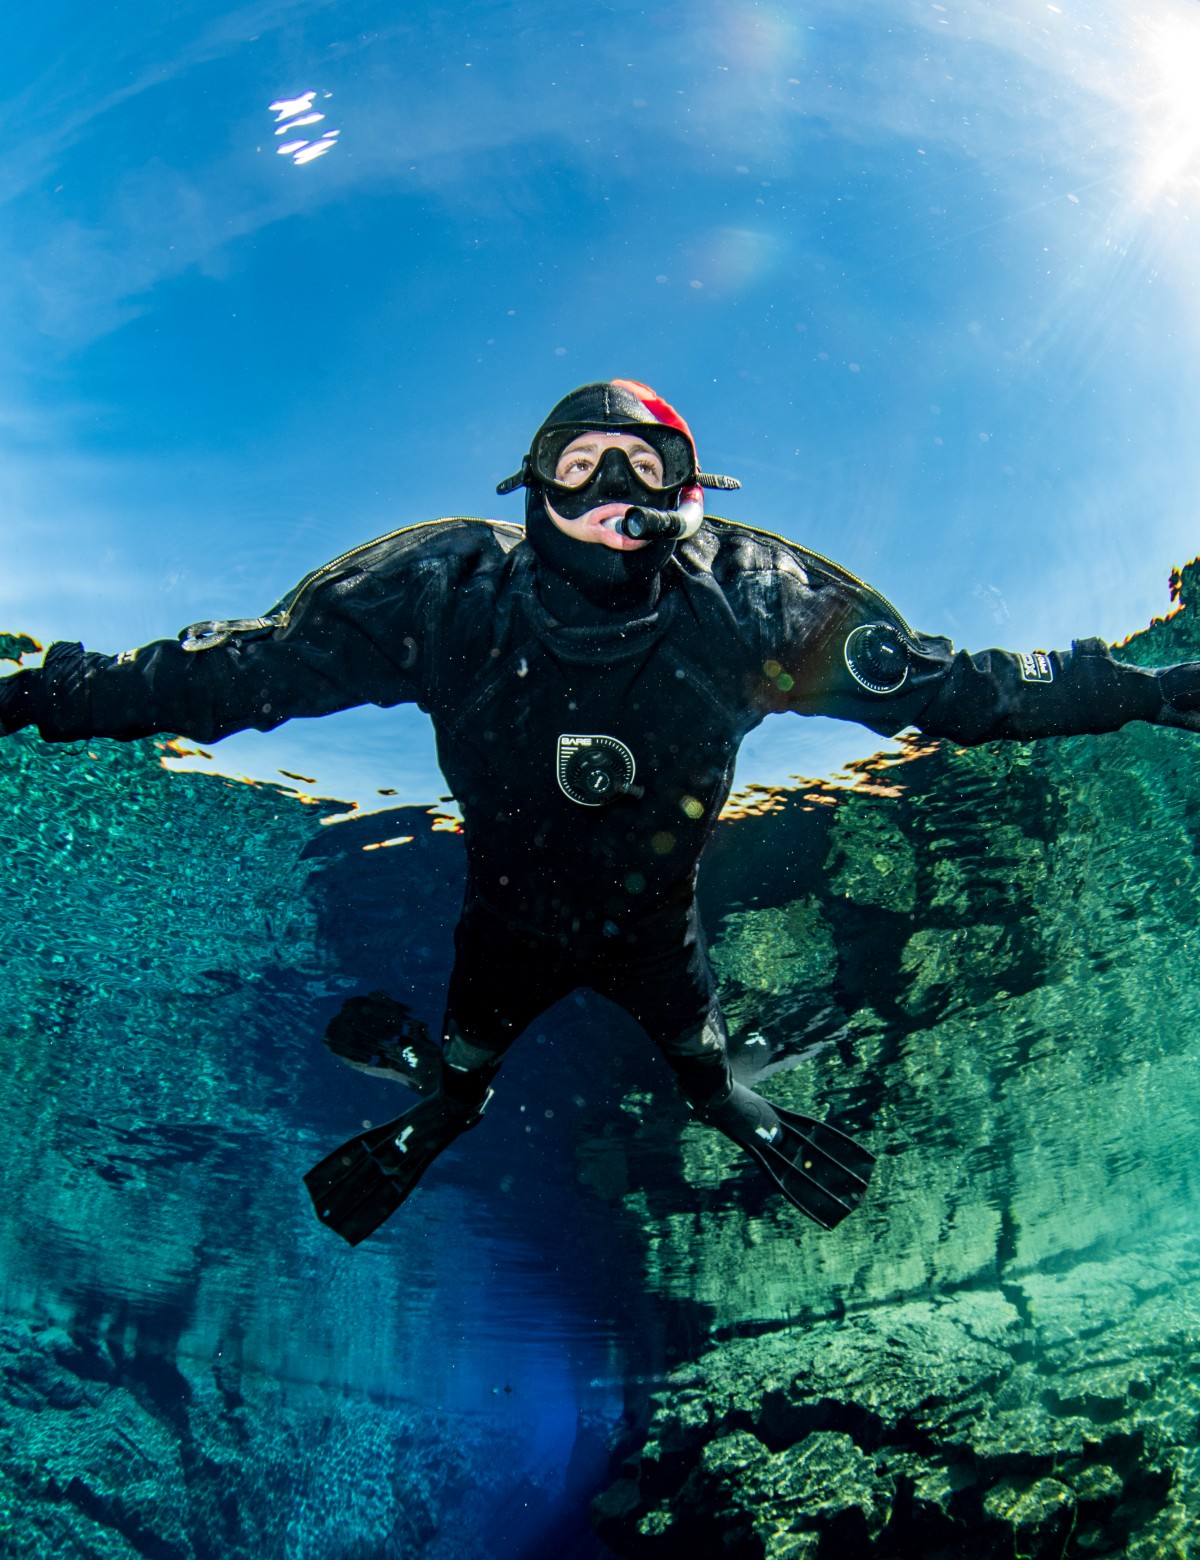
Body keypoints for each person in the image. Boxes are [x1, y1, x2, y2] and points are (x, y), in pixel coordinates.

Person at [4, 377, 1200, 1244]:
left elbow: (957, 690)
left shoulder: (753, 603)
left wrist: (1143, 687)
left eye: (648, 463)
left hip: (653, 933)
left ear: (692, 490)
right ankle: (449, 1100)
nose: (612, 487)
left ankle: (724, 1100)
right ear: (530, 483)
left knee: (697, 1063)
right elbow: (232, 678)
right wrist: (46, 690)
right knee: (470, 1065)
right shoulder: (447, 595)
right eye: (580, 463)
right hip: (507, 925)